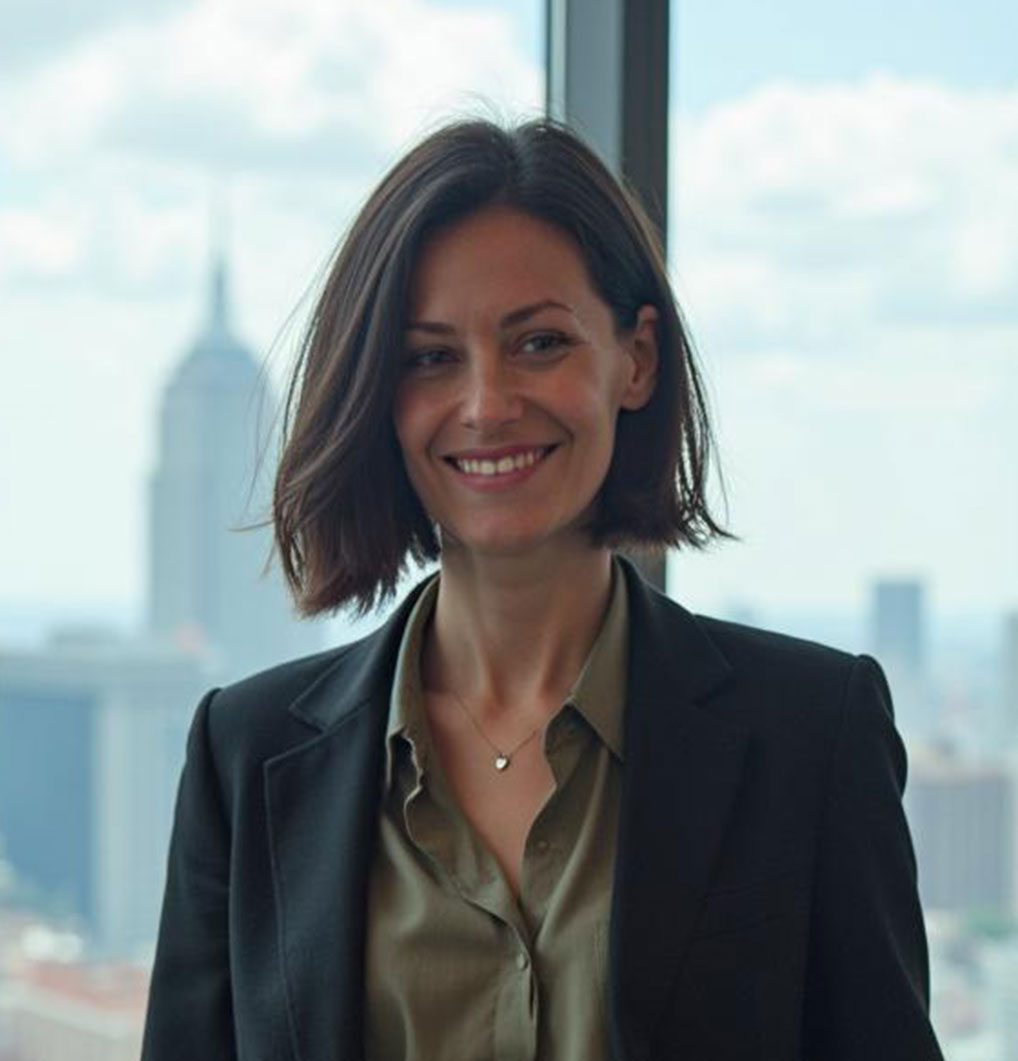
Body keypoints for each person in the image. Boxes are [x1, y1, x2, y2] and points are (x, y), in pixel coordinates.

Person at [142, 117, 944, 1060]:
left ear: (635, 359)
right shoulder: (248, 754)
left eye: (539, 343)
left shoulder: (811, 732)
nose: (486, 404)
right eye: (431, 357)